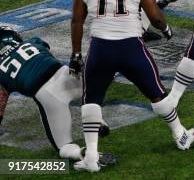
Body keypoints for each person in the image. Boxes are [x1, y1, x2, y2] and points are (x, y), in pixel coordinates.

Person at [71, 0, 194, 172]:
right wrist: (165, 28)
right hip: (130, 47)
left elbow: (77, 19)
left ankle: (91, 157)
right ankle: (180, 134)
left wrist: (76, 53)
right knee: (157, 94)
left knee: (91, 100)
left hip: (100, 48)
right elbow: (153, 13)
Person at [0, 26, 114, 164]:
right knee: (93, 88)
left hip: (47, 94)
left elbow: (1, 100)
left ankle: (84, 153)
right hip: (67, 75)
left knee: (64, 147)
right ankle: (96, 119)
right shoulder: (33, 42)